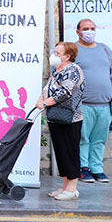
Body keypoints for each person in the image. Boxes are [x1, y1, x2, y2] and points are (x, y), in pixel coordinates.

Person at [37, 42, 85, 201]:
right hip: (55, 116)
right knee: (61, 151)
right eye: (54, 52)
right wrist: (41, 98)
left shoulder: (73, 70)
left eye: (58, 53)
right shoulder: (57, 70)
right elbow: (49, 88)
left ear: (67, 56)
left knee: (69, 151)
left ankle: (72, 189)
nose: (54, 55)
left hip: (69, 118)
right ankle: (65, 186)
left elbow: (65, 92)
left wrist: (46, 102)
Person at [73, 18, 112, 183]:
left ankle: (97, 168)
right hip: (83, 104)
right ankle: (83, 168)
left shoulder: (104, 49)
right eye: (86, 29)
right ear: (78, 32)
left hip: (104, 104)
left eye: (92, 28)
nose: (90, 32)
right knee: (82, 138)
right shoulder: (73, 50)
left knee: (100, 139)